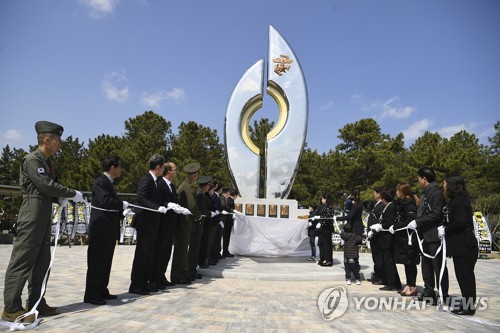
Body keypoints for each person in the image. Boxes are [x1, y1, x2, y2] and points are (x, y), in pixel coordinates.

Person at [2, 121, 84, 323]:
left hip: (43, 213)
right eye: (57, 140)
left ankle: (36, 302)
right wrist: (72, 193)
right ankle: (11, 308)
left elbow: (48, 188)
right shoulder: (32, 160)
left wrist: (62, 197)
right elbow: (45, 185)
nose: (60, 145)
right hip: (32, 214)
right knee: (22, 261)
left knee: (41, 263)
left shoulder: (46, 162)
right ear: (47, 139)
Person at [84, 156, 128, 305]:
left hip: (108, 230)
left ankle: (102, 289)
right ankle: (92, 294)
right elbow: (105, 202)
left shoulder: (109, 183)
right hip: (101, 229)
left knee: (105, 262)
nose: (121, 170)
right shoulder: (100, 182)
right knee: (97, 262)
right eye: (119, 167)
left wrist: (122, 212)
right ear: (113, 168)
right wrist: (121, 204)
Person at [407, 167, 449, 305]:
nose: (418, 181)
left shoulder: (436, 193)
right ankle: (429, 291)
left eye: (419, 178)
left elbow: (437, 214)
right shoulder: (425, 193)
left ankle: (443, 294)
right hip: (424, 236)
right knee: (426, 266)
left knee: (438, 266)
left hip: (434, 235)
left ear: (424, 179)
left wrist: (418, 222)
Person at [439, 173, 478, 315]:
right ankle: (467, 303)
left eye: (445, 183)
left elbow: (460, 222)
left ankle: (469, 307)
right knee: (462, 276)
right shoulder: (456, 200)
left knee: (465, 276)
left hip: (465, 244)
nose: (443, 186)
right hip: (460, 245)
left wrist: (445, 229)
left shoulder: (460, 200)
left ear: (452, 185)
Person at [129, 154, 167, 295]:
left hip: (152, 223)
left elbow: (154, 199)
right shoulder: (147, 179)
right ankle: (136, 284)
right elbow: (141, 197)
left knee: (149, 254)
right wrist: (157, 208)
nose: (164, 170)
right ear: (158, 167)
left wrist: (166, 204)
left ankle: (144, 283)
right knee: (142, 254)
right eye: (163, 167)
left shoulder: (155, 181)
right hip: (145, 222)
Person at [171, 163, 202, 285]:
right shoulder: (187, 187)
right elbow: (192, 205)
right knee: (181, 249)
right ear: (194, 175)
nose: (196, 177)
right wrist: (199, 216)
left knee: (183, 249)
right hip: (183, 222)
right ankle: (177, 275)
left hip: (185, 222)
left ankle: (182, 273)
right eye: (196, 175)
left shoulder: (187, 185)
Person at [151, 162, 179, 289]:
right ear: (169, 172)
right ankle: (154, 278)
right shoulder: (160, 184)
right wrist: (168, 204)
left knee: (167, 252)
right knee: (159, 252)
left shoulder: (172, 186)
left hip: (170, 224)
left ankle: (161, 276)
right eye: (175, 170)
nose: (176, 172)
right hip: (162, 224)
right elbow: (158, 201)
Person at [392, 183, 419, 296]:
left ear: (402, 192)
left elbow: (409, 221)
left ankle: (412, 286)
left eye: (397, 191)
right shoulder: (402, 204)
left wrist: (395, 226)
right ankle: (408, 285)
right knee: (406, 263)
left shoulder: (410, 205)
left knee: (411, 263)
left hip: (409, 238)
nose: (396, 193)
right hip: (402, 238)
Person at [377, 189, 402, 292]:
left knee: (389, 262)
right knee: (388, 261)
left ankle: (391, 284)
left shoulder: (390, 207)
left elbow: (390, 222)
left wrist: (380, 226)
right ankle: (394, 282)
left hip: (388, 239)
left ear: (383, 198)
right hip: (385, 238)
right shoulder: (388, 206)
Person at [188, 176, 212, 280]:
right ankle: (192, 271)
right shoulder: (200, 195)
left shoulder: (198, 192)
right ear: (205, 186)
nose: (209, 187)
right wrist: (211, 213)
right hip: (197, 224)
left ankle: (192, 269)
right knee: (194, 248)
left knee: (195, 247)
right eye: (208, 185)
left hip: (196, 223)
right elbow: (203, 210)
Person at [366, 186, 386, 285]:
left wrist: (373, 231)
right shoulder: (377, 204)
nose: (374, 194)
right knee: (375, 257)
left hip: (377, 235)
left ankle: (381, 277)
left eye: (375, 193)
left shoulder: (381, 205)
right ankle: (377, 275)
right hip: (373, 235)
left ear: (379, 194)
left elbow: (379, 220)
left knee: (379, 257)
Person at [315, 193, 335, 267]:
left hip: (326, 228)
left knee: (327, 245)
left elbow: (328, 219)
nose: (322, 200)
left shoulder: (329, 207)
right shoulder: (324, 207)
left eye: (323, 199)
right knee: (321, 244)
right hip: (322, 229)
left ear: (325, 199)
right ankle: (322, 258)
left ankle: (328, 260)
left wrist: (321, 222)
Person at [222, 189, 238, 257]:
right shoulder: (231, 201)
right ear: (235, 195)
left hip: (226, 221)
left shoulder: (228, 199)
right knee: (226, 237)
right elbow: (228, 210)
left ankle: (225, 251)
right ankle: (225, 251)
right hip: (228, 221)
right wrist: (232, 215)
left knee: (225, 237)